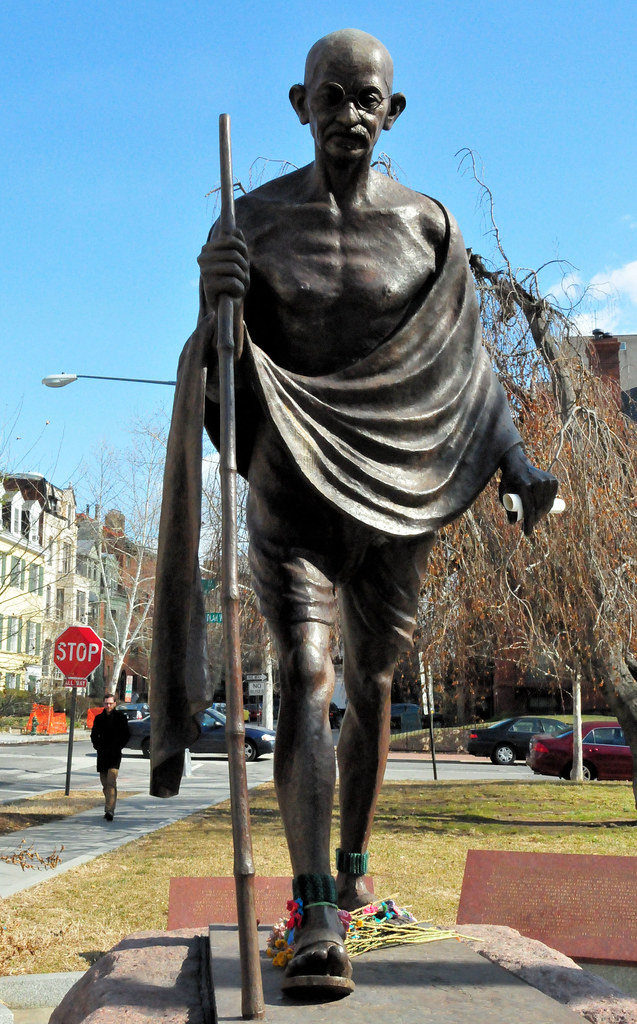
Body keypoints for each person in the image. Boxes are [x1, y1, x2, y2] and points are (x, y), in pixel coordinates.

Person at [150, 29, 558, 997]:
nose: (349, 115)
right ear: (300, 105)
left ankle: (357, 867)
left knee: (371, 681)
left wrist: (513, 458)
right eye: (330, 97)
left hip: (399, 494)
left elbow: (469, 369)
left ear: (394, 110)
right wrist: (217, 312)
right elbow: (220, 377)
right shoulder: (253, 224)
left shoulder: (428, 229)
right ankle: (314, 902)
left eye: (366, 98)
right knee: (303, 667)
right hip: (290, 488)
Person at [90, 694, 130, 821]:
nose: (108, 706)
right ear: (103, 704)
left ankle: (109, 811)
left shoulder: (121, 718)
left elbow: (126, 735)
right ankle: (109, 804)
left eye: (110, 703)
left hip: (114, 755)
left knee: (111, 783)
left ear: (115, 704)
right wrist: (97, 746)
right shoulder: (99, 719)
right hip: (102, 755)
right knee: (105, 784)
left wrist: (118, 746)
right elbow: (94, 735)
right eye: (106, 703)